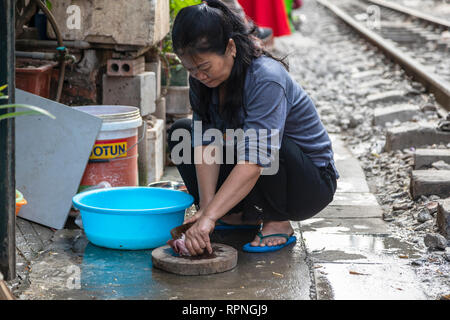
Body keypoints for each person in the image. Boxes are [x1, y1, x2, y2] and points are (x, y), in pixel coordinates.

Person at [167, 0, 338, 256]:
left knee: (264, 147)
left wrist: (209, 218)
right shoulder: (200, 79)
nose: (198, 75)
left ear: (231, 48)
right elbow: (206, 143)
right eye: (190, 69)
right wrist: (207, 208)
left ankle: (277, 219)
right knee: (184, 133)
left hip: (307, 183)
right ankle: (237, 215)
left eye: (203, 67)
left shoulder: (265, 78)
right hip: (262, 166)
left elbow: (256, 159)